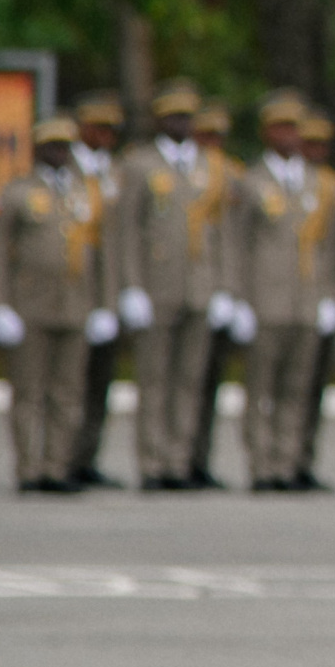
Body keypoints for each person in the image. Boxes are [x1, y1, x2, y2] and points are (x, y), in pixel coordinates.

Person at [113, 78, 235, 489]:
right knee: (154, 380)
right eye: (173, 117)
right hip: (156, 286)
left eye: (187, 117)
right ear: (159, 120)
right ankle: (153, 464)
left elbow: (220, 231)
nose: (181, 124)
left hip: (200, 285)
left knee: (189, 381)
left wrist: (223, 286)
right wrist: (131, 286)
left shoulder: (209, 167)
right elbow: (127, 230)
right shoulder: (140, 165)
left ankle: (179, 462)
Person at [0, 116, 118, 492]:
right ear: (39, 150)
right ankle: (30, 469)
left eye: (65, 147)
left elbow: (101, 253)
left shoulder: (85, 194)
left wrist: (105, 304)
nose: (60, 153)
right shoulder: (18, 192)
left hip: (76, 305)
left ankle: (57, 467)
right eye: (52, 147)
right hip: (30, 306)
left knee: (67, 392)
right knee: (29, 391)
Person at [229, 90, 334, 491]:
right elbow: (236, 243)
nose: (289, 136)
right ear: (267, 132)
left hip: (306, 300)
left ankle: (288, 465)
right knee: (262, 388)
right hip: (265, 300)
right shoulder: (252, 182)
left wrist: (329, 295)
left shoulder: (315, 183)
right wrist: (238, 297)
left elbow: (327, 245)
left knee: (297, 388)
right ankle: (262, 466)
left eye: (295, 128)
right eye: (281, 127)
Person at [65, 90, 129, 488]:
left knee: (99, 383)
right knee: (68, 382)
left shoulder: (116, 174)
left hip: (108, 292)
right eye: (98, 128)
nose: (106, 136)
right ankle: (60, 459)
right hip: (71, 291)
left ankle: (86, 456)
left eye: (111, 129)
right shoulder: (64, 169)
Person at [183, 101, 245, 489]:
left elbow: (234, 240)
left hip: (217, 292)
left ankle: (197, 458)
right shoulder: (182, 175)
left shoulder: (232, 176)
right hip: (183, 290)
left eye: (219, 137)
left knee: (206, 384)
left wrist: (231, 291)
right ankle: (172, 462)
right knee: (179, 382)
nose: (214, 144)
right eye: (206, 136)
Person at [295, 108, 335, 489]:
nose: (316, 151)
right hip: (280, 299)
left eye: (322, 144)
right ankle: (272, 466)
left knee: (309, 386)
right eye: (309, 143)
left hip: (321, 299)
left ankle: (299, 461)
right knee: (277, 388)